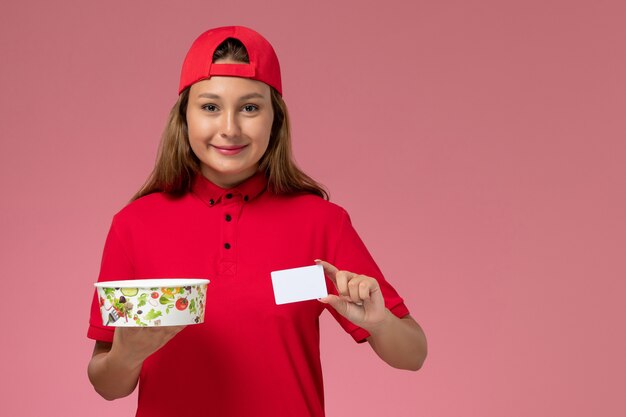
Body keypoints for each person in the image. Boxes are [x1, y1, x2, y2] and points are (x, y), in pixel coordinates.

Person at [87, 25, 427, 416]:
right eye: (210, 107)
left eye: (249, 107)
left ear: (275, 120)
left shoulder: (321, 222)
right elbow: (106, 385)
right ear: (184, 117)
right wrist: (128, 356)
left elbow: (413, 354)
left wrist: (380, 322)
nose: (229, 128)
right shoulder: (135, 225)